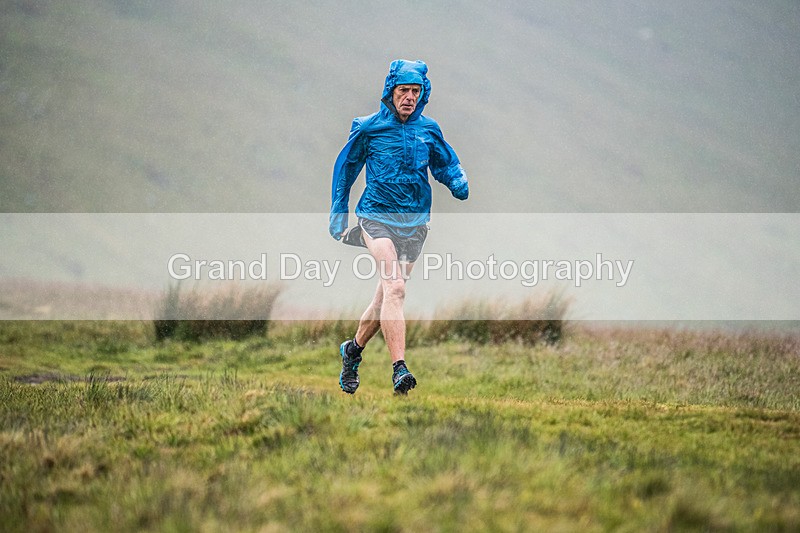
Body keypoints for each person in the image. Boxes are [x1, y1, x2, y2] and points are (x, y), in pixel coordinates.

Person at [329, 59, 469, 395]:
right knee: (396, 289)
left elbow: (445, 163)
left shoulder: (428, 129)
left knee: (385, 299)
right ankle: (399, 369)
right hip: (376, 218)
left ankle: (353, 351)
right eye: (403, 90)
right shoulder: (369, 128)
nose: (409, 97)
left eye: (415, 91)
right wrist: (338, 213)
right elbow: (346, 169)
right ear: (390, 92)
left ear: (423, 93)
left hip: (415, 224)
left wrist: (456, 180)